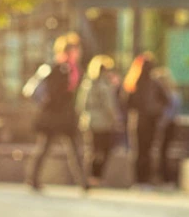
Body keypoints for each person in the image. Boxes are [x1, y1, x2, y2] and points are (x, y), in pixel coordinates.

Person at [23, 33, 88, 192]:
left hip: (65, 117)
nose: (78, 53)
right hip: (54, 117)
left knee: (74, 149)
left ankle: (83, 182)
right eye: (75, 49)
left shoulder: (73, 69)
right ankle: (32, 179)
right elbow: (54, 93)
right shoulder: (58, 68)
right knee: (46, 148)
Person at [123, 53, 170, 189]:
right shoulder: (145, 83)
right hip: (147, 121)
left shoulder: (135, 82)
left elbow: (126, 103)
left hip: (141, 121)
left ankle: (141, 180)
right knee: (145, 151)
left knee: (141, 151)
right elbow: (166, 100)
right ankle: (143, 180)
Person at [77, 55, 122, 188]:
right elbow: (110, 106)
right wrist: (117, 119)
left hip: (89, 121)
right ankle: (96, 177)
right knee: (103, 150)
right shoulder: (104, 85)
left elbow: (80, 105)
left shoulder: (87, 83)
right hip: (103, 123)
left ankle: (89, 177)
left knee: (92, 150)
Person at [152, 67, 181, 186]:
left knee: (164, 151)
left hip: (168, 126)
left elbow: (170, 113)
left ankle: (166, 178)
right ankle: (161, 177)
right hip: (166, 125)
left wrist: (161, 124)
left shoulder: (171, 95)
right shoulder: (169, 94)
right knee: (161, 151)